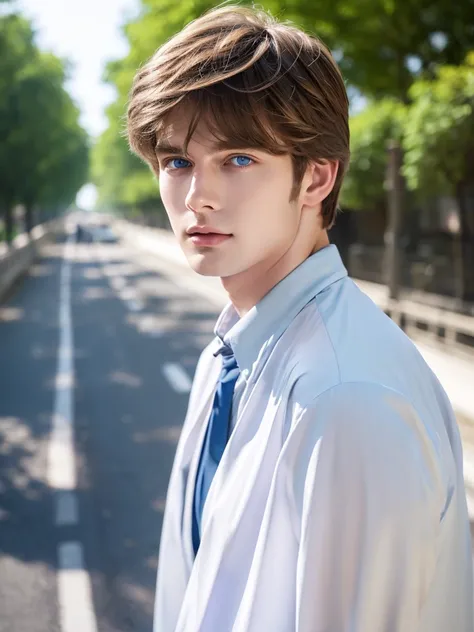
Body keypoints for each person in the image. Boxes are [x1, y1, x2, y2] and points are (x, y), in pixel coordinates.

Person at [126, 5, 473, 631]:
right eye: (177, 162)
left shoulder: (347, 401)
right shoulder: (233, 351)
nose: (196, 194)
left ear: (316, 176)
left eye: (237, 159)